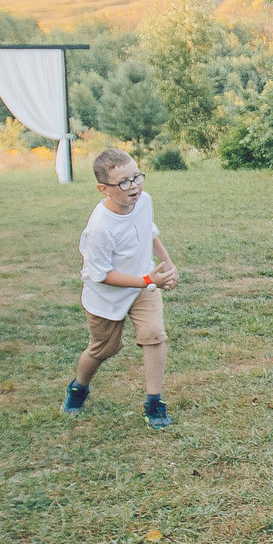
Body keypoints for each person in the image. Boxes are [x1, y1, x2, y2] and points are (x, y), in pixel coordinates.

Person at [64, 147, 182, 429]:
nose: (135, 187)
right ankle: (79, 387)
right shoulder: (99, 229)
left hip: (144, 286)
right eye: (125, 183)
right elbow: (102, 275)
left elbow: (150, 233)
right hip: (107, 296)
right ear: (103, 188)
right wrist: (147, 279)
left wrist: (167, 264)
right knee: (104, 348)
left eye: (137, 177)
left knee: (153, 334)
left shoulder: (144, 201)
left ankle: (154, 403)